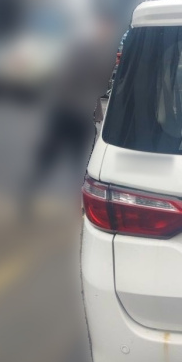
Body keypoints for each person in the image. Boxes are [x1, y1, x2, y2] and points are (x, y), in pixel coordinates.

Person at [20, 17, 117, 218]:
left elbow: (99, 83)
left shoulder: (98, 51)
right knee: (53, 158)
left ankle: (78, 204)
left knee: (78, 162)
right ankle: (28, 196)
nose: (106, 34)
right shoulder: (85, 49)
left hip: (76, 113)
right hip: (68, 111)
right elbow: (74, 79)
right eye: (105, 29)